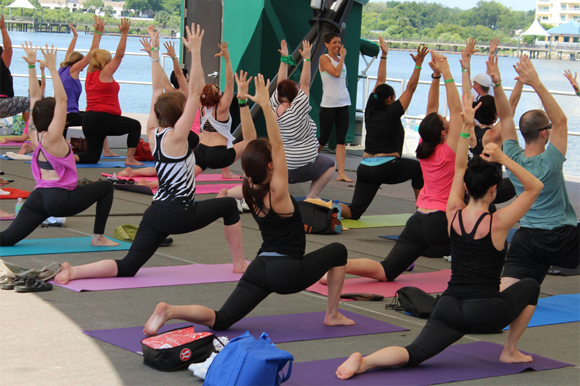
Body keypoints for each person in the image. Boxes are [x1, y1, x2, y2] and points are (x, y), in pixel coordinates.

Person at [334, 93, 543, 380]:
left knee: (415, 352)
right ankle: (510, 350)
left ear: (467, 189)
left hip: (448, 306)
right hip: (484, 311)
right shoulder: (498, 222)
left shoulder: (453, 212)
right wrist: (503, 156)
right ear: (494, 190)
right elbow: (533, 187)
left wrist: (467, 127)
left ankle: (365, 362)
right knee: (530, 286)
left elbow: (459, 166)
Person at [143, 73, 355, 336]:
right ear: (270, 166)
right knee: (338, 250)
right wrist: (265, 105)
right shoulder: (278, 193)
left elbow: (251, 149)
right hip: (286, 271)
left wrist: (244, 102)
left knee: (222, 319)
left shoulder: (246, 188)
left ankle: (171, 310)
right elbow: (276, 145)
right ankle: (332, 314)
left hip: (260, 268)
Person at [55, 24, 247, 285]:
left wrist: (155, 54)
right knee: (227, 206)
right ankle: (238, 263)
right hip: (180, 213)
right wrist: (197, 50)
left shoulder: (152, 133)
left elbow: (157, 92)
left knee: (129, 265)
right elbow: (193, 91)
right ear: (179, 115)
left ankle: (74, 271)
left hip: (155, 212)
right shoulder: (179, 137)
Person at [321, 51, 461, 284]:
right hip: (440, 221)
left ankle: (334, 266)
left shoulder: (422, 146)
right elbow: (451, 109)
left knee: (385, 266)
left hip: (411, 216)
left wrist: (435, 77)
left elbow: (431, 108)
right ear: (444, 133)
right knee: (483, 218)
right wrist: (444, 72)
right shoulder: (447, 150)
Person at [0, 43, 118, 248]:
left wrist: (31, 67)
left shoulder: (36, 136)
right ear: (56, 117)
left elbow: (34, 99)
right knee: (106, 186)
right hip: (60, 200)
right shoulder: (53, 138)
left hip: (38, 196)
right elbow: (62, 99)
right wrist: (53, 69)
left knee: (7, 239)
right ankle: (98, 237)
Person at [494, 56, 579, 289]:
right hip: (563, 238)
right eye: (549, 129)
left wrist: (497, 84)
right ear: (544, 134)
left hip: (528, 238)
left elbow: (505, 116)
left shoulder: (512, 156)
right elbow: (560, 120)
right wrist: (536, 83)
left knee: (506, 290)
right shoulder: (551, 160)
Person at [341, 39, 427, 220]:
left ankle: (324, 207)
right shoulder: (392, 113)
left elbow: (380, 81)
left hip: (365, 168)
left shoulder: (369, 110)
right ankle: (422, 213)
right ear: (389, 99)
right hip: (386, 168)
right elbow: (411, 88)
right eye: (394, 98)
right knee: (420, 169)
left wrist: (384, 56)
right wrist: (418, 65)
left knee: (354, 212)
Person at [75, 18, 143, 166]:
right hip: (102, 120)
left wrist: (98, 32)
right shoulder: (105, 73)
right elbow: (119, 55)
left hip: (89, 120)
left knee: (92, 157)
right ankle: (130, 159)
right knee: (135, 126)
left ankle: (64, 158)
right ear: (105, 61)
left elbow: (93, 51)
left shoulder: (89, 74)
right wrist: (124, 33)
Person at [318, 32, 353, 182]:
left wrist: (341, 58)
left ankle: (341, 173)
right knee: (323, 138)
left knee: (341, 140)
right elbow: (336, 74)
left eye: (339, 42)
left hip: (343, 103)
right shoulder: (324, 58)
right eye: (334, 42)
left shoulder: (340, 60)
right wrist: (343, 57)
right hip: (328, 105)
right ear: (327, 44)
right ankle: (307, 162)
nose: (338, 45)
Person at [0, 15, 30, 120]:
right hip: (2, 103)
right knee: (28, 103)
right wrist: (3, 29)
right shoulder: (2, 64)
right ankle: (29, 133)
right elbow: (8, 48)